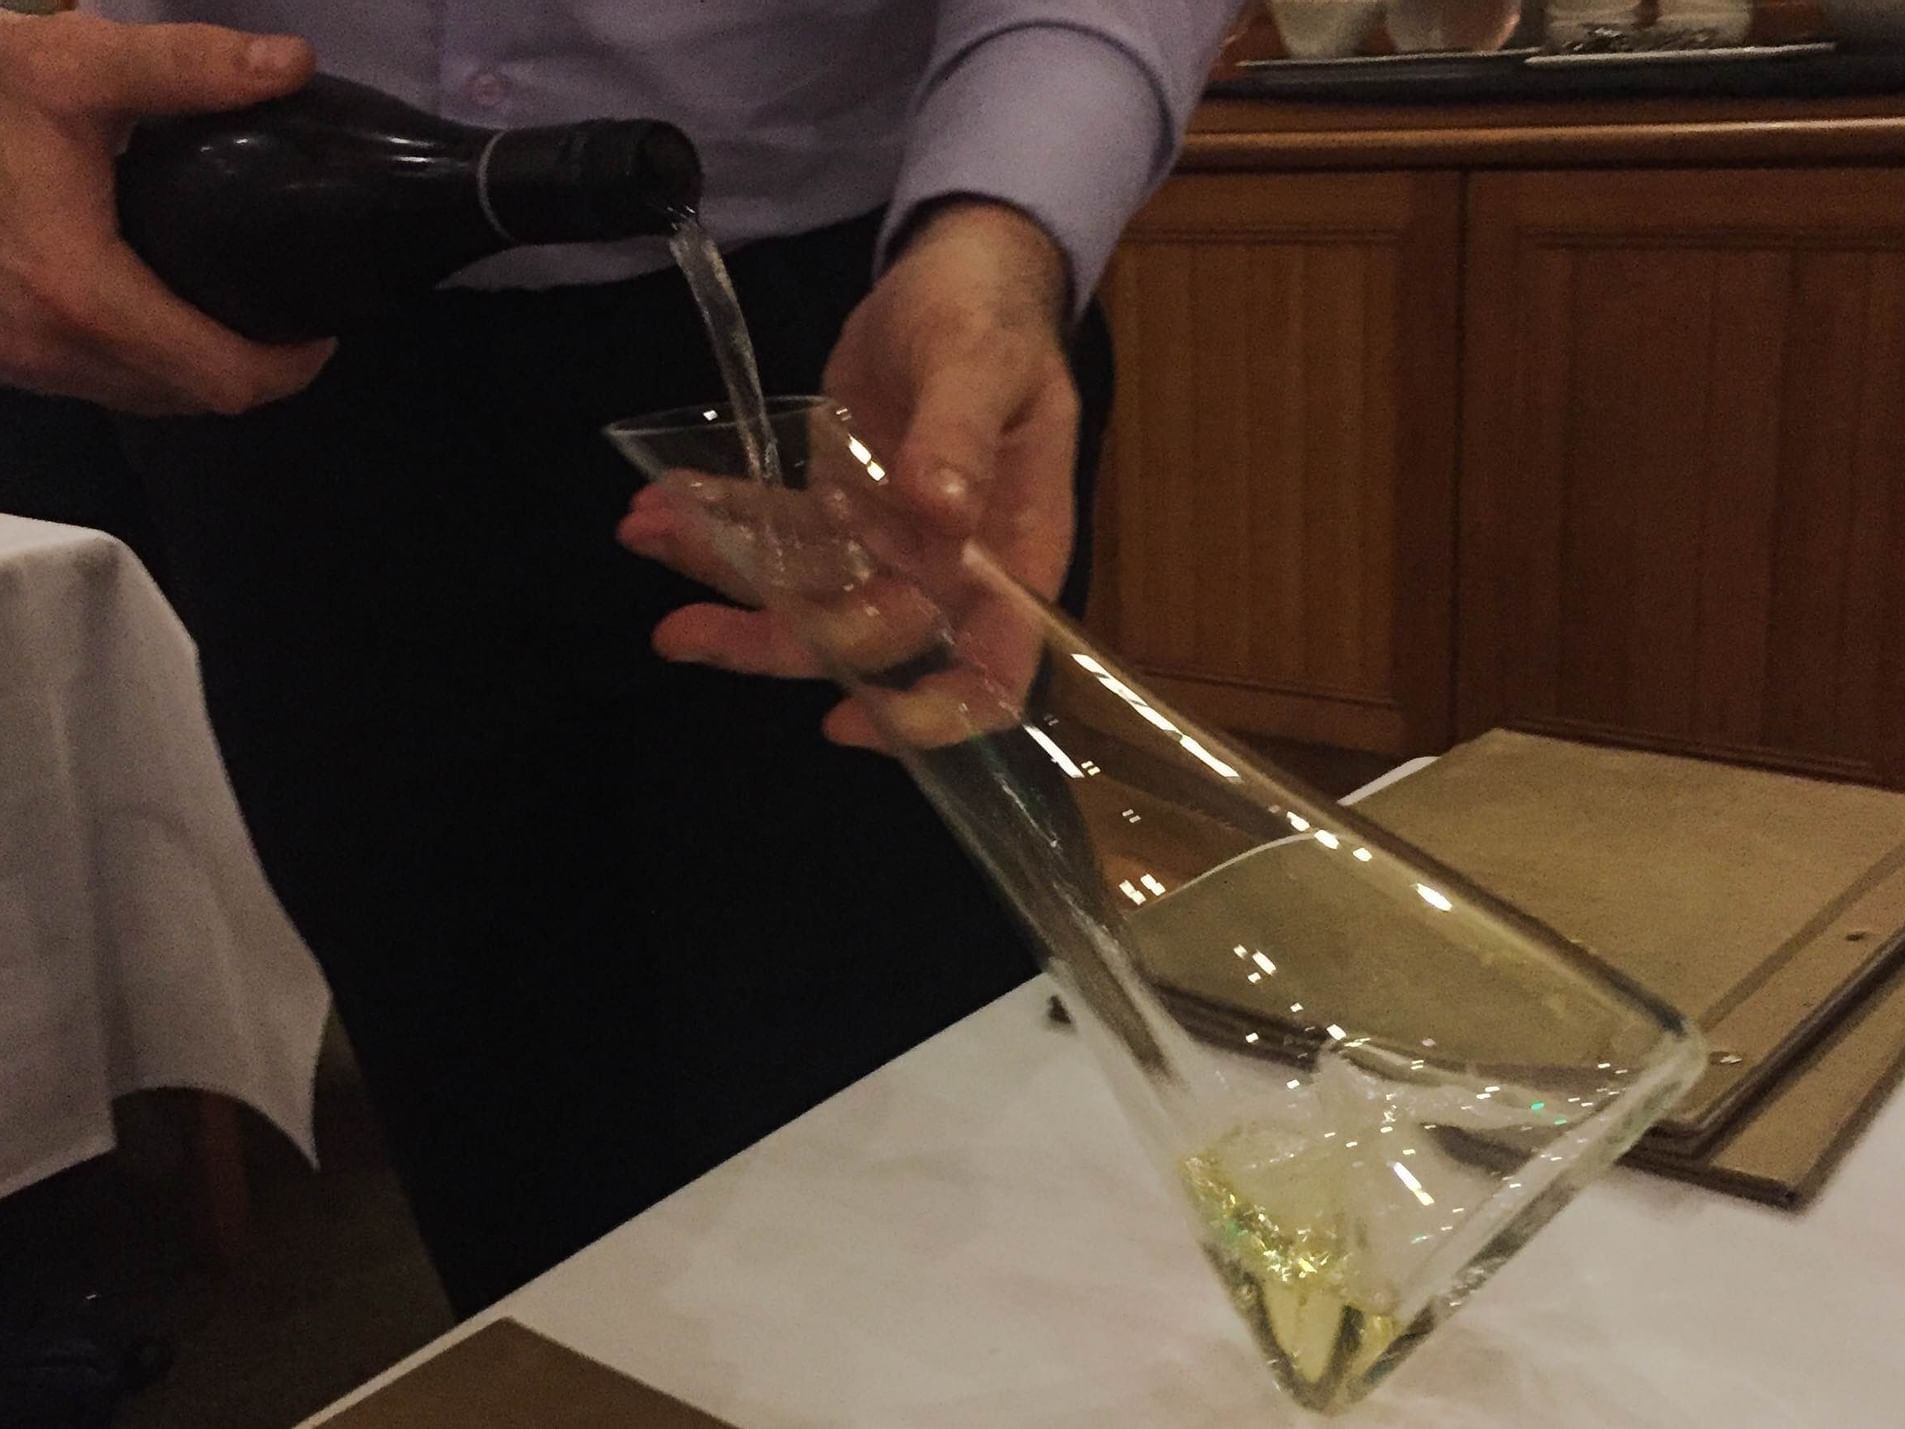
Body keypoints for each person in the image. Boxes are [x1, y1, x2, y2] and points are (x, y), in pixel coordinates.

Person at [0, 2, 1241, 1316]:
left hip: (863, 328)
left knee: (909, 1136)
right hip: (262, 318)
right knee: (499, 1157)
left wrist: (1008, 229)